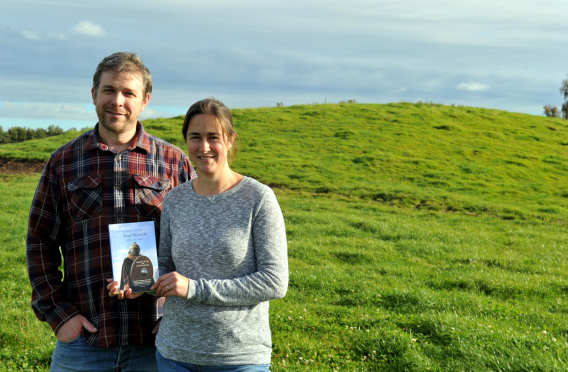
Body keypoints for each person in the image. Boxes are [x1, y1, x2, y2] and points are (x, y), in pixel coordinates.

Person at [26, 52, 195, 372]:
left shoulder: (174, 162)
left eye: (128, 93)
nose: (117, 101)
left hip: (157, 341)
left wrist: (175, 316)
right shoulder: (62, 162)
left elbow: (198, 244)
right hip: (85, 341)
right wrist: (59, 315)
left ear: (145, 100)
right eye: (109, 90)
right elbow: (39, 243)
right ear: (93, 94)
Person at [149, 98, 288, 371]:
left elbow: (274, 282)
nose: (204, 147)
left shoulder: (258, 199)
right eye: (195, 137)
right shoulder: (175, 200)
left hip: (238, 358)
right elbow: (165, 266)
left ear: (230, 140)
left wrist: (193, 288)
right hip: (174, 354)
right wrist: (139, 283)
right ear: (185, 141)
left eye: (214, 137)